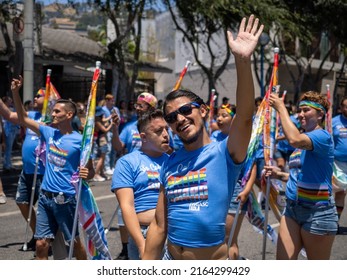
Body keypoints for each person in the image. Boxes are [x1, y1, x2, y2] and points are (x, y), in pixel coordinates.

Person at [143, 14, 263, 260]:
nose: (180, 119)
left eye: (186, 110)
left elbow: (244, 118)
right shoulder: (170, 161)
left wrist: (242, 61)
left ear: (204, 110)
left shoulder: (225, 152)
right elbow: (158, 225)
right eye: (172, 117)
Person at [11, 76, 95, 260]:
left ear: (69, 114)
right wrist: (15, 93)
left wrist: (87, 173)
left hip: (66, 199)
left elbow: (91, 172)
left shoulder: (80, 141)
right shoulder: (48, 132)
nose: (53, 114)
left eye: (57, 111)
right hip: (45, 197)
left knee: (73, 243)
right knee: (41, 244)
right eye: (53, 111)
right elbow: (23, 118)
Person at [264, 91, 338, 260]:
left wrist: (281, 107)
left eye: (306, 110)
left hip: (318, 213)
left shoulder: (322, 136)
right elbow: (300, 176)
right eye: (299, 110)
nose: (300, 114)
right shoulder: (303, 142)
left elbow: (294, 139)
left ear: (320, 114)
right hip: (292, 210)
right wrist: (280, 174)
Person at [111, 110, 170, 259]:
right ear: (143, 137)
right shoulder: (127, 163)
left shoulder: (173, 161)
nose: (165, 134)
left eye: (166, 129)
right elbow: (127, 207)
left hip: (174, 233)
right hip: (144, 234)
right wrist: (141, 244)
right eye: (158, 131)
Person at [211, 103, 254, 259]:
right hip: (213, 191)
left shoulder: (241, 138)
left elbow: (252, 166)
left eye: (225, 115)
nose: (220, 118)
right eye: (218, 115)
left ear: (234, 118)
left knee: (228, 239)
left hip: (235, 191)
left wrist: (247, 189)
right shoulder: (213, 136)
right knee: (215, 238)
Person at [332, 96, 347, 232]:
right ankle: (331, 222)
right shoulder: (334, 122)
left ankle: (335, 222)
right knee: (335, 192)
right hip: (336, 164)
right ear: (341, 107)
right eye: (346, 106)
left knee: (342, 194)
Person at [92, 106, 114, 182]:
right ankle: (96, 174)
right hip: (102, 140)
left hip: (102, 139)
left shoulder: (99, 119)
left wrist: (111, 117)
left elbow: (105, 119)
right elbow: (105, 130)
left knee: (103, 158)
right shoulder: (97, 121)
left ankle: (101, 173)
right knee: (101, 158)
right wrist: (112, 124)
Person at [1, 96, 20, 172]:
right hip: (7, 130)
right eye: (9, 100)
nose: (11, 101)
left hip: (12, 129)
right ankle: (6, 165)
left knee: (10, 148)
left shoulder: (12, 108)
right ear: (5, 102)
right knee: (8, 148)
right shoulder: (4, 110)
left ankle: (8, 163)